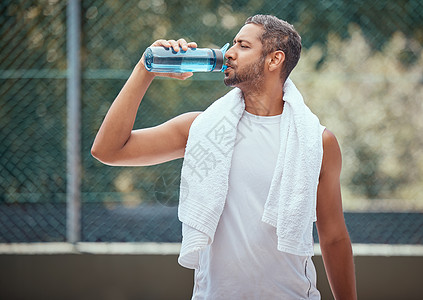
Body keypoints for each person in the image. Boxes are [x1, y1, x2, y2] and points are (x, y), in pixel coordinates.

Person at [92, 14, 357, 300]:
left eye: (243, 46)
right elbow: (108, 150)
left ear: (274, 60)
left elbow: (334, 238)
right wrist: (145, 70)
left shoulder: (316, 142)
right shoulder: (201, 129)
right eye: (232, 44)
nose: (228, 53)